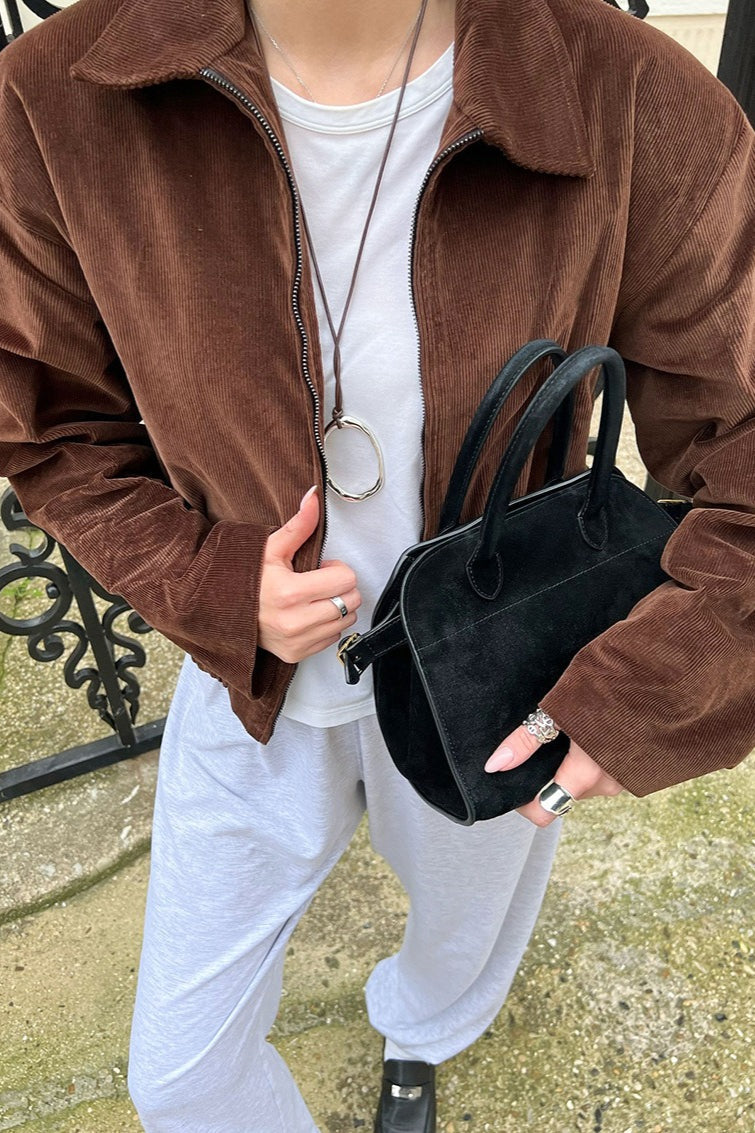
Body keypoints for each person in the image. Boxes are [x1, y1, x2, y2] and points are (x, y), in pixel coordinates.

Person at [0, 0, 753, 1129]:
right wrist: (205, 581)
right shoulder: (56, 97)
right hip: (250, 684)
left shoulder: (623, 91)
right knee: (181, 1074)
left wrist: (659, 678)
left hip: (493, 675)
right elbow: (51, 423)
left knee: (460, 935)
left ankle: (420, 1033)